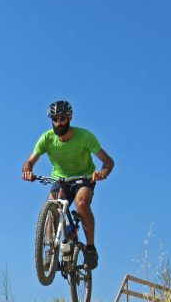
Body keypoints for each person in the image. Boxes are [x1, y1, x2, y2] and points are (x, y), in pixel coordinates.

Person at [21, 100, 115, 269]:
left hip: (84, 178)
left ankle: (91, 248)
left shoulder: (85, 137)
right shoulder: (46, 139)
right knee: (51, 207)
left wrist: (102, 173)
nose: (58, 123)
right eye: (55, 119)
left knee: (81, 203)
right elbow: (28, 162)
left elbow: (108, 161)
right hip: (60, 180)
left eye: (62, 118)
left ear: (70, 117)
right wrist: (27, 171)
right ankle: (50, 252)